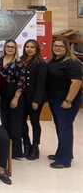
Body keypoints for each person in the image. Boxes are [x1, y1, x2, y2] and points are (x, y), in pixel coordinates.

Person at [46, 37, 82, 169]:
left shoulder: (72, 62)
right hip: (54, 100)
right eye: (55, 45)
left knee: (65, 128)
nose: (57, 48)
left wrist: (68, 100)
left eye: (60, 46)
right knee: (60, 127)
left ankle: (64, 160)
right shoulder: (53, 61)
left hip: (66, 101)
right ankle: (64, 153)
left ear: (66, 48)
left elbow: (76, 82)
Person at [0, 40, 26, 158]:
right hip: (1, 94)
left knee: (14, 124)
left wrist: (16, 98)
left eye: (13, 47)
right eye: (8, 46)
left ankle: (15, 151)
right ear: (4, 48)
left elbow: (21, 81)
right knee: (4, 122)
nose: (10, 49)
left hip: (14, 94)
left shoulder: (19, 62)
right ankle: (4, 149)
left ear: (16, 49)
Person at [20, 39, 47, 160]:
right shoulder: (21, 60)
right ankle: (26, 144)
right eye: (27, 47)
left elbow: (41, 84)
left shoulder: (40, 63)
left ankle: (35, 147)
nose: (29, 49)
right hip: (22, 97)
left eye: (32, 47)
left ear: (37, 49)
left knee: (34, 122)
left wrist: (36, 100)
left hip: (35, 98)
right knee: (21, 121)